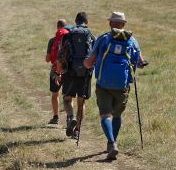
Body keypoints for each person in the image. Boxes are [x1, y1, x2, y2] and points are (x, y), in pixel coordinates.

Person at [84, 11, 146, 161]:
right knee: (117, 115)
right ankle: (113, 142)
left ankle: (111, 143)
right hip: (122, 85)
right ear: (124, 25)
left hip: (103, 83)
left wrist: (85, 65)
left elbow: (90, 61)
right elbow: (140, 63)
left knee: (105, 114)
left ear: (110, 23)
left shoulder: (104, 38)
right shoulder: (132, 40)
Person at [58, 11, 95, 139]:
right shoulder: (90, 34)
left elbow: (61, 54)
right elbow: (95, 55)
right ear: (87, 22)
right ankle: (77, 131)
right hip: (85, 73)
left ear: (75, 21)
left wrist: (60, 70)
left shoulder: (69, 34)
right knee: (81, 103)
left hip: (70, 72)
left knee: (67, 99)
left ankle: (71, 117)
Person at [45, 19, 69, 125]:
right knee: (68, 96)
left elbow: (47, 59)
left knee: (55, 94)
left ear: (57, 27)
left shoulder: (52, 41)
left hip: (55, 71)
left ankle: (55, 117)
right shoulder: (69, 40)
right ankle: (69, 118)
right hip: (68, 71)